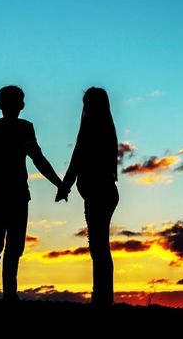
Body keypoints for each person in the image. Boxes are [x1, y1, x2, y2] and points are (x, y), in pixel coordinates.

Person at [0, 85, 64, 300]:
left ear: (0, 105)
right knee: (12, 249)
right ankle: (8, 295)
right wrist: (58, 183)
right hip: (16, 197)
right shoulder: (24, 128)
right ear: (22, 105)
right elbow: (38, 159)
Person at [57, 87, 119, 307]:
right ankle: (103, 297)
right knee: (100, 245)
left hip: (98, 192)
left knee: (99, 246)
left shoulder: (91, 128)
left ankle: (101, 299)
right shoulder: (108, 128)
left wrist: (64, 186)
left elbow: (77, 159)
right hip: (107, 191)